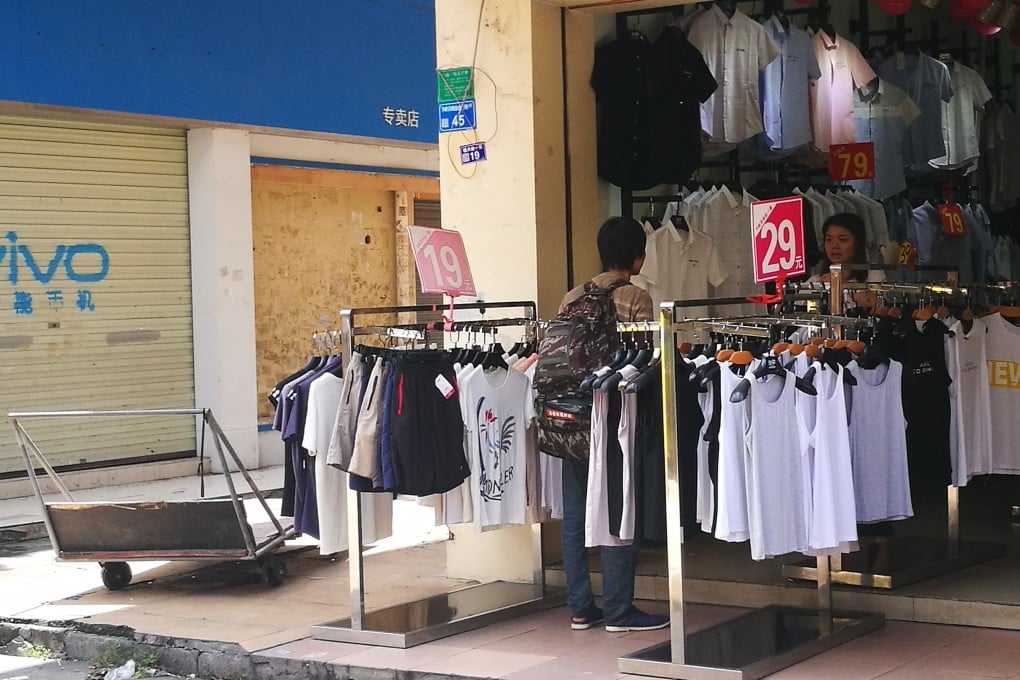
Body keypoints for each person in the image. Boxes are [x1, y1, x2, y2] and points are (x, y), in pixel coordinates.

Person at [557, 216, 669, 633]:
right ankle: (620, 610)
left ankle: (581, 607)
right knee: (617, 506)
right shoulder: (634, 296)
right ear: (638, 256)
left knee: (574, 514)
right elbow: (643, 360)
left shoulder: (572, 295)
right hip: (613, 414)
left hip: (570, 416)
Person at [809, 213, 885, 283]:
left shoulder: (874, 275)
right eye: (829, 240)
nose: (834, 246)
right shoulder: (814, 281)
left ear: (858, 242)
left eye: (842, 240)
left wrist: (841, 285)